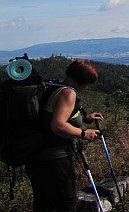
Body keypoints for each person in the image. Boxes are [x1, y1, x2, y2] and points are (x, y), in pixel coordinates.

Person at [25, 59, 104, 212]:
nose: (87, 88)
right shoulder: (68, 93)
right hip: (55, 160)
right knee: (67, 203)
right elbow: (58, 125)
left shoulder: (52, 87)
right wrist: (83, 133)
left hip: (36, 158)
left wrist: (86, 118)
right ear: (82, 81)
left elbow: (51, 117)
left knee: (44, 204)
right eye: (88, 83)